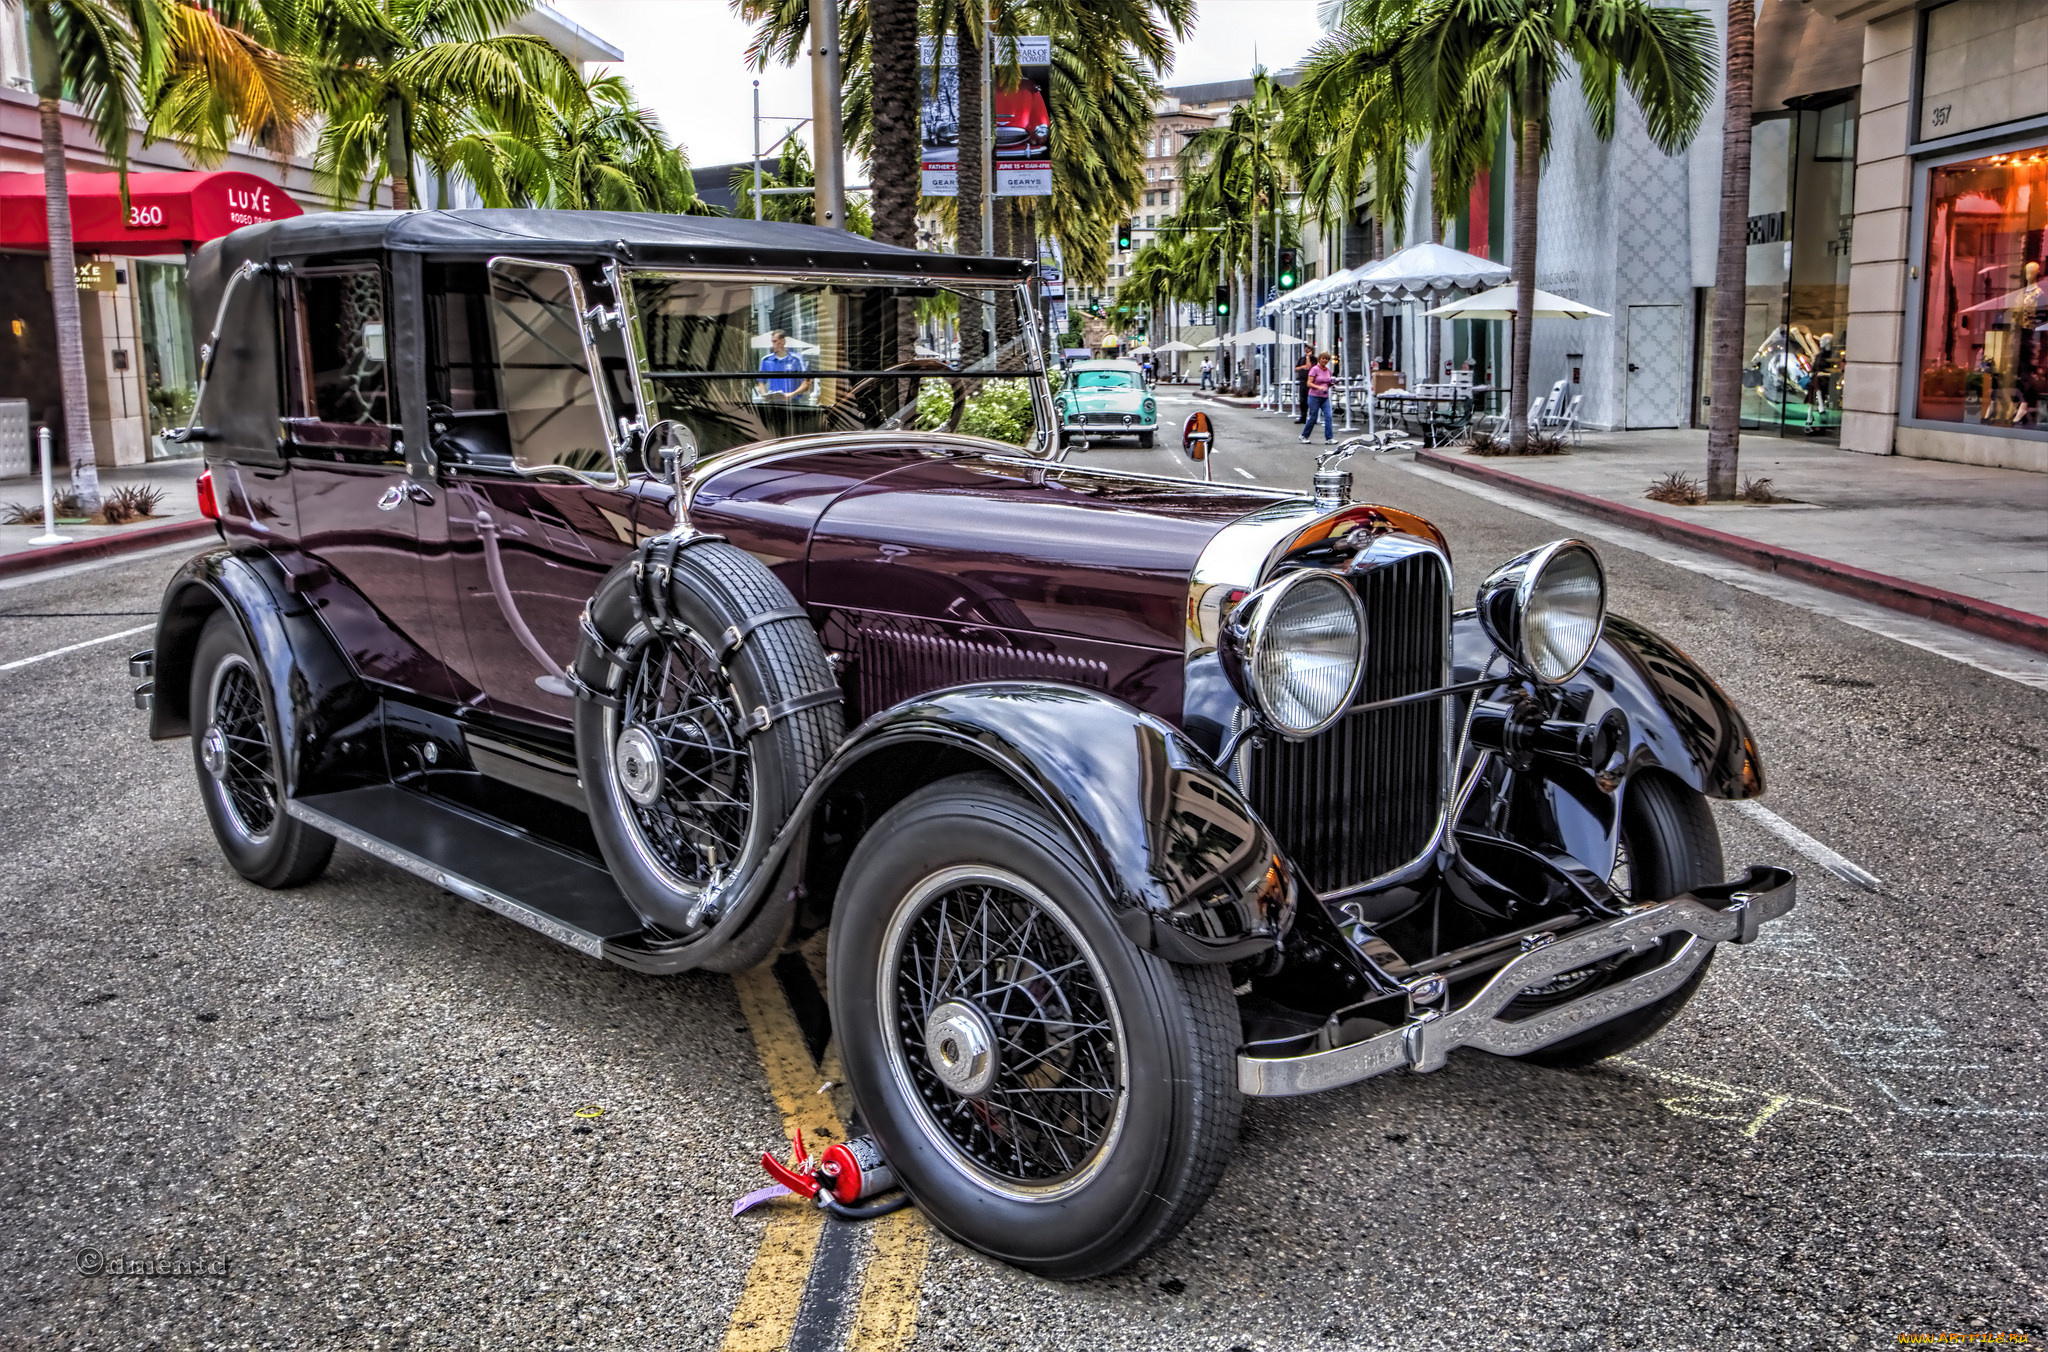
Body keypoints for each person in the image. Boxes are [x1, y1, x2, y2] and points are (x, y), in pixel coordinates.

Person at [756, 330, 811, 402]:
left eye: (775, 341)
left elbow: (806, 383)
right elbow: (761, 382)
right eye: (772, 342)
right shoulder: (766, 360)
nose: (773, 344)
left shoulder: (796, 359)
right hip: (773, 403)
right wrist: (765, 396)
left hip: (793, 402)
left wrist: (792, 394)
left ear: (783, 341)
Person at [1300, 352, 1336, 444]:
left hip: (1324, 397)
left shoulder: (1328, 370)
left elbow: (1327, 383)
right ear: (1319, 359)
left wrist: (1331, 384)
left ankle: (1329, 438)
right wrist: (1319, 387)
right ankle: (1304, 436)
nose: (1325, 360)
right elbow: (1309, 383)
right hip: (1314, 396)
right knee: (1313, 417)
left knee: (1328, 416)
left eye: (1327, 359)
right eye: (1323, 358)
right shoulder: (1314, 369)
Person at [1293, 349, 1312, 424]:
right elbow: (1296, 368)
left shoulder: (1313, 359)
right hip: (1302, 381)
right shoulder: (1301, 358)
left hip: (1310, 381)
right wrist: (1302, 367)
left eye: (1308, 349)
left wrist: (1308, 357)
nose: (1306, 350)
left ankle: (1312, 417)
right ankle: (1303, 417)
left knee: (1310, 400)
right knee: (1302, 400)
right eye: (1305, 349)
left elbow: (1308, 367)